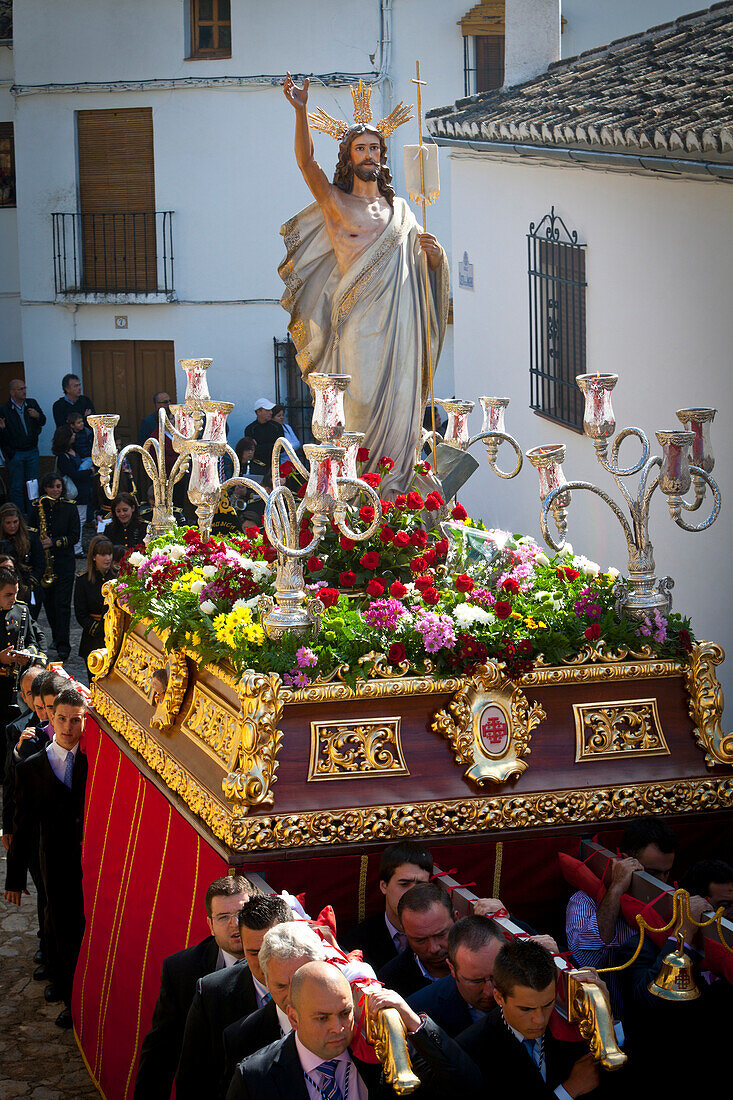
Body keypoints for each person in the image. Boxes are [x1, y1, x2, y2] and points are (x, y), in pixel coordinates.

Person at [281, 75, 449, 493]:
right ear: (348, 156)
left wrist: (435, 257)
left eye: (375, 148)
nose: (370, 154)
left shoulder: (403, 210)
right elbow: (306, 164)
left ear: (383, 155)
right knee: (358, 407)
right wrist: (301, 111)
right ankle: (355, 490)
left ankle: (396, 492)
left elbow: (421, 272)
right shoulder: (337, 202)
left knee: (403, 407)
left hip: (402, 328)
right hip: (357, 325)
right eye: (362, 148)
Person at [226, 960, 482, 1100]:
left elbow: (468, 1085)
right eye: (322, 1018)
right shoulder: (256, 1078)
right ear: (294, 1018)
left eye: (344, 1013)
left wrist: (415, 1023)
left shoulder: (383, 1053)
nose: (337, 1028)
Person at [6, 685, 89, 1029]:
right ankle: (71, 999)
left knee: (85, 929)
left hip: (90, 863)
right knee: (63, 929)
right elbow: (21, 825)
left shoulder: (92, 762)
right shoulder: (32, 768)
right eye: (62, 719)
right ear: (50, 720)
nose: (68, 727)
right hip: (53, 863)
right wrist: (14, 879)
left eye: (76, 720)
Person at [134, 874, 255, 1100]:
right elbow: (161, 1050)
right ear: (210, 925)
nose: (235, 924)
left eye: (241, 914)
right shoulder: (181, 971)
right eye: (223, 917)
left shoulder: (279, 963)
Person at [176, 894, 294, 1100]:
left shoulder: (316, 985)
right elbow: (193, 1081)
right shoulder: (212, 995)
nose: (264, 963)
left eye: (272, 950)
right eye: (254, 953)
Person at [457, 940, 603, 1099]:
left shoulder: (570, 1022)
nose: (539, 1020)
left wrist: (604, 1015)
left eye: (548, 1004)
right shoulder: (470, 1052)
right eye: (526, 1009)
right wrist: (569, 1091)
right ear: (499, 997)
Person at [565, 819, 677, 1020]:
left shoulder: (671, 902)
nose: (660, 882)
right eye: (652, 874)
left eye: (666, 873)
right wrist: (617, 888)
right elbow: (585, 958)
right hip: (609, 1020)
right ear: (627, 863)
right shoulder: (584, 902)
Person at [222, 922, 327, 1085]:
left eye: (300, 983)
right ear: (266, 981)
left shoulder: (347, 1027)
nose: (292, 996)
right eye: (281, 986)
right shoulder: (240, 1038)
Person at [341, 841, 434, 971]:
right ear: (384, 886)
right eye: (404, 884)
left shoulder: (440, 935)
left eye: (420, 885)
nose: (413, 894)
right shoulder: (356, 943)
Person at [409, 914, 505, 1037]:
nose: (490, 991)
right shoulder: (420, 1012)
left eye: (496, 976)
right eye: (476, 981)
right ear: (452, 969)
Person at [28, 473, 79, 660]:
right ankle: (56, 638)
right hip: (44, 563)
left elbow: (74, 537)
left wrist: (54, 542)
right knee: (49, 604)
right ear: (44, 489)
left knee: (63, 604)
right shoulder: (37, 507)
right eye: (51, 487)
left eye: (58, 486)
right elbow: (31, 532)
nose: (55, 490)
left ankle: (64, 645)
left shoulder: (69, 508)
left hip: (64, 562)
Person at [0, 379, 46, 511]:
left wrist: (37, 416)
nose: (24, 391)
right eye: (20, 389)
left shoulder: (31, 403)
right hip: (16, 453)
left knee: (33, 484)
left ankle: (33, 514)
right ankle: (18, 514)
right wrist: (10, 453)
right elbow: (3, 436)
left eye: (24, 388)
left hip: (32, 450)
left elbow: (43, 421)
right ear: (12, 392)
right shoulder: (4, 409)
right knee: (17, 486)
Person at [74, 535, 114, 674]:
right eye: (103, 554)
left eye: (109, 553)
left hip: (115, 636)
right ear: (94, 557)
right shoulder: (83, 581)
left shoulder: (117, 576)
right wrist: (98, 629)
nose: (107, 558)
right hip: (93, 639)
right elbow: (81, 613)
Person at [52, 423, 93, 552]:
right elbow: (73, 474)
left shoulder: (73, 451)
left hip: (82, 490)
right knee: (78, 520)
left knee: (81, 519)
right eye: (71, 434)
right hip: (75, 492)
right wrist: (89, 472)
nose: (74, 435)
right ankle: (77, 549)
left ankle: (77, 547)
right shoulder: (63, 457)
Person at [0, 502, 45, 616]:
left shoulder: (31, 536)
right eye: (8, 523)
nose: (12, 526)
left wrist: (30, 584)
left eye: (15, 522)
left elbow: (40, 563)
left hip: (28, 586)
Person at [244, 399, 283, 474]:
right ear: (259, 412)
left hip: (275, 466)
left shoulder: (277, 427)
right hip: (257, 468)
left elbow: (281, 448)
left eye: (271, 410)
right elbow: (251, 450)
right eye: (267, 410)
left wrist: (260, 447)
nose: (271, 413)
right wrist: (272, 446)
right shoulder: (250, 429)